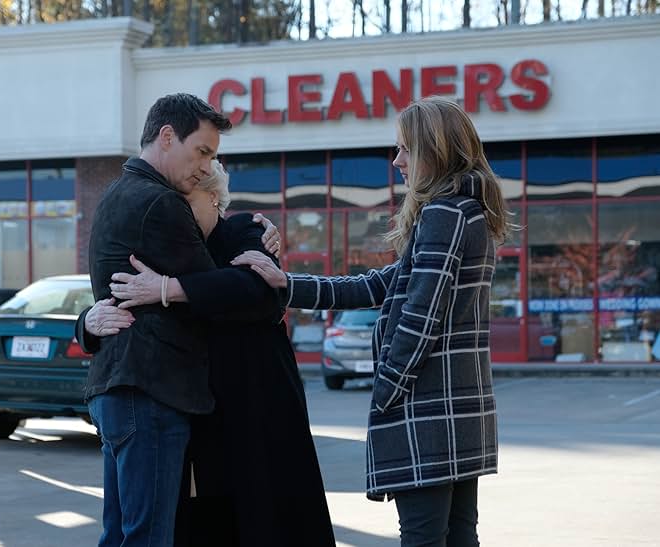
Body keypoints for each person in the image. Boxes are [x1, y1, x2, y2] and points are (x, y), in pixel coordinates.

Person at [233, 96, 510, 547]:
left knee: (423, 538)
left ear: (434, 151)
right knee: (459, 537)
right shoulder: (466, 210)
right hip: (460, 409)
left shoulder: (444, 213)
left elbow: (422, 316)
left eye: (405, 149)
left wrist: (386, 389)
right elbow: (380, 285)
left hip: (428, 408)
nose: (397, 161)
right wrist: (286, 283)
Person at [83, 160, 336, 547]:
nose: (178, 208)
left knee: (266, 516)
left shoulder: (244, 229)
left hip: (257, 401)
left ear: (215, 198)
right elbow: (120, 298)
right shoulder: (167, 242)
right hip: (199, 406)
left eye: (187, 199)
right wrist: (86, 321)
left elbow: (260, 293)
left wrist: (169, 288)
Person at [78, 93, 277, 547]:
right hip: (151, 390)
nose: (206, 167)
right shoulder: (160, 203)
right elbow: (225, 295)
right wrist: (258, 248)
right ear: (167, 137)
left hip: (124, 388)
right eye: (202, 152)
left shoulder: (118, 191)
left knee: (122, 535)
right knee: (148, 539)